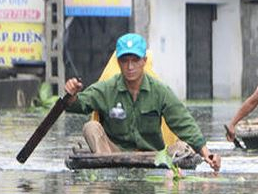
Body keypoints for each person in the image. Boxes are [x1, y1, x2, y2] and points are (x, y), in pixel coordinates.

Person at [64, 33, 221, 172]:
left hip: (154, 154)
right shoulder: (106, 88)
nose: (130, 66)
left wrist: (207, 154)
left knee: (182, 147)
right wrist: (71, 95)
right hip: (113, 153)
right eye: (125, 61)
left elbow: (183, 123)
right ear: (118, 62)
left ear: (144, 61)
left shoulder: (160, 91)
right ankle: (106, 170)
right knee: (90, 127)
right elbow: (79, 104)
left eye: (135, 60)